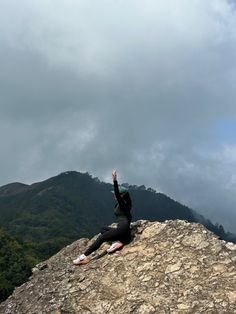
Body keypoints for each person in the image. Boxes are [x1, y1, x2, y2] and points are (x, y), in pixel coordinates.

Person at [73, 169, 132, 265]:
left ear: (121, 196)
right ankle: (117, 242)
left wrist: (114, 180)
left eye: (115, 194)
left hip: (122, 230)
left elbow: (117, 193)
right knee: (103, 228)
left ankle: (84, 257)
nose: (114, 195)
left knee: (101, 238)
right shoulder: (124, 205)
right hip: (123, 231)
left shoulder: (123, 204)